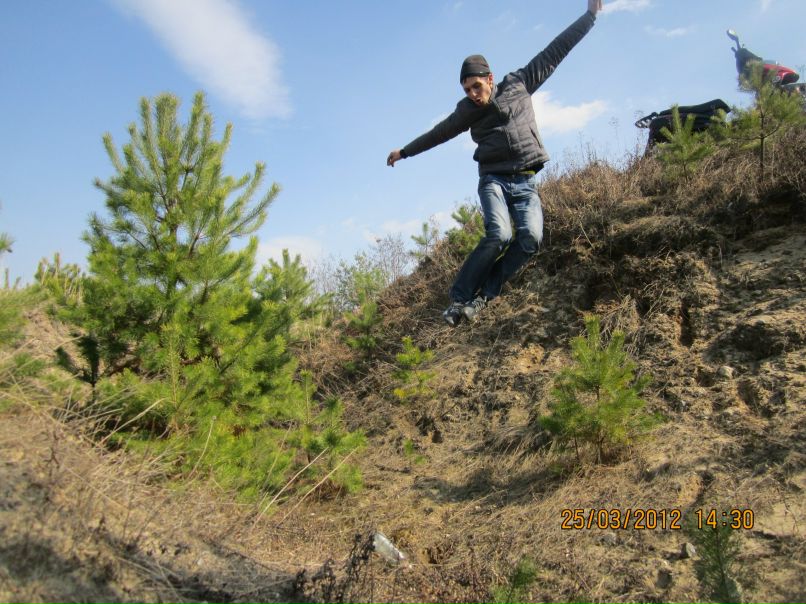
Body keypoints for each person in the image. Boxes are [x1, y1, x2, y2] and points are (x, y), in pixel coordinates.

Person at [387, 0, 603, 326]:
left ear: (489, 79)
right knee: (499, 234)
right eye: (467, 90)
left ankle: (483, 297)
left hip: (525, 182)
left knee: (530, 238)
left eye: (476, 86)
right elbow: (438, 133)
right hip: (493, 181)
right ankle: (458, 300)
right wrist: (404, 151)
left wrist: (589, 17)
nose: (473, 94)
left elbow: (556, 50)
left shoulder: (520, 83)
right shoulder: (466, 112)